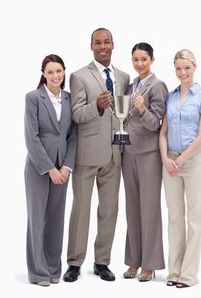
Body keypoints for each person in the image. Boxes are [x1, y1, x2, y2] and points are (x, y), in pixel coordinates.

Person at [63, 28, 130, 282]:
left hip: (115, 154)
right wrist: (97, 107)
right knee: (81, 210)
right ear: (91, 46)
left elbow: (123, 114)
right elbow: (76, 114)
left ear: (113, 45)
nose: (103, 46)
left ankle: (102, 262)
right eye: (98, 42)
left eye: (107, 42)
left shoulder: (123, 77)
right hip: (87, 155)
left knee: (110, 210)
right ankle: (74, 263)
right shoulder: (79, 76)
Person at [159, 49, 201, 288]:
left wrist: (181, 161)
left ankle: (189, 275)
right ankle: (174, 271)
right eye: (178, 68)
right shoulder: (170, 97)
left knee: (194, 220)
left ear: (194, 67)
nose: (183, 72)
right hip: (169, 162)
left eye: (187, 67)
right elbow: (163, 132)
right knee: (174, 218)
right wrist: (165, 158)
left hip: (192, 163)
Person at [24, 54, 77, 286]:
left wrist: (65, 166)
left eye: (59, 71)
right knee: (37, 219)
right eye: (51, 72)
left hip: (62, 168)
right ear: (43, 74)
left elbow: (73, 137)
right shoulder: (33, 98)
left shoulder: (69, 99)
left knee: (56, 219)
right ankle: (38, 272)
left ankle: (53, 268)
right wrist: (49, 168)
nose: (55, 76)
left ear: (64, 72)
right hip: (38, 168)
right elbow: (31, 137)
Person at [122, 42, 168, 282]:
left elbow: (157, 125)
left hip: (149, 153)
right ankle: (134, 261)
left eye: (143, 59)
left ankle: (149, 265)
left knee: (149, 209)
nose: (139, 63)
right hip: (128, 152)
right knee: (132, 209)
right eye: (135, 59)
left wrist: (141, 109)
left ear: (152, 60)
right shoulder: (130, 86)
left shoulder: (158, 85)